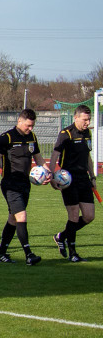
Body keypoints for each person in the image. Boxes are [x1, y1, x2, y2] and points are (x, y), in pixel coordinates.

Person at [0, 109, 49, 265]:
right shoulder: (6, 137)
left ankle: (1, 254)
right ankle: (29, 254)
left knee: (13, 219)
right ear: (20, 122)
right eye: (28, 126)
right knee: (21, 216)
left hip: (25, 183)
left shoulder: (32, 137)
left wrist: (48, 173)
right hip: (10, 184)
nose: (30, 129)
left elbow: (38, 158)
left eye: (32, 126)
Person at [50, 104, 95, 263]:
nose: (87, 122)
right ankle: (73, 253)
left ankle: (61, 236)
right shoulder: (65, 134)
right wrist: (52, 175)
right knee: (74, 216)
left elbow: (88, 157)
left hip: (84, 179)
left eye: (89, 119)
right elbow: (54, 155)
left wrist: (93, 176)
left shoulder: (87, 133)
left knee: (89, 216)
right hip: (68, 179)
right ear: (76, 118)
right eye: (85, 119)